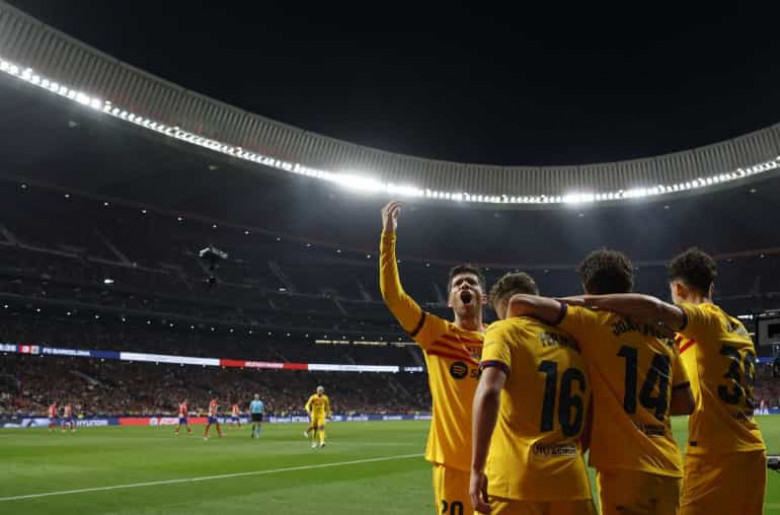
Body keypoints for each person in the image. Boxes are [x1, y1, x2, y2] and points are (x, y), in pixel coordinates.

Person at [563, 248, 766, 514]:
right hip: (752, 450)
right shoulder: (738, 329)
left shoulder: (704, 319)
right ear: (711, 287)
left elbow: (656, 308)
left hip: (715, 452)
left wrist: (582, 302)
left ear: (679, 289)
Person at [508, 249, 694, 515]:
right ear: (628, 285)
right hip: (669, 468)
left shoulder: (591, 321)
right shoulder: (662, 334)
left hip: (625, 467)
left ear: (588, 288)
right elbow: (685, 403)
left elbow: (520, 304)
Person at [379, 200, 487, 514]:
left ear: (483, 297)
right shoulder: (436, 334)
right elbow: (393, 296)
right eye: (457, 284)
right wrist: (388, 236)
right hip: (452, 463)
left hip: (501, 460)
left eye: (471, 282)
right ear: (450, 300)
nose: (464, 284)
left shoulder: (502, 338)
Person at [471, 273, 596, 515]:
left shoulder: (504, 329)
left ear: (504, 306)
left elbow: (489, 392)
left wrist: (476, 469)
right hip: (572, 481)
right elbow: (592, 410)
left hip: (513, 481)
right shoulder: (575, 342)